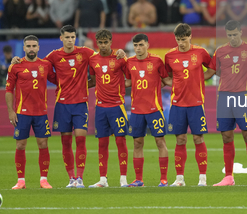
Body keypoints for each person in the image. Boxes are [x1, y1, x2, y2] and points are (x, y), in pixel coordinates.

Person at [11, 26, 125, 188]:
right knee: (65, 141)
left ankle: (80, 178)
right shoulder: (54, 56)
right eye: (67, 37)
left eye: (72, 37)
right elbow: (37, 64)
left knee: (80, 138)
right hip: (62, 104)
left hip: (80, 104)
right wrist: (18, 60)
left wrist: (119, 52)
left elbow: (103, 55)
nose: (70, 40)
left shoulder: (85, 52)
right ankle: (71, 178)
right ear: (61, 38)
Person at [212, 20, 247, 187]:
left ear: (241, 32)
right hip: (224, 97)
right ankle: (228, 177)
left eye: (235, 34)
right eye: (229, 35)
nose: (232, 38)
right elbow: (215, 70)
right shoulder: (220, 51)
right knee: (226, 136)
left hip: (242, 97)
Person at [164, 23, 216, 187]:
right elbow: (166, 76)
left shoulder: (200, 52)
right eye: (179, 39)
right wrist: (175, 85)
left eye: (184, 39)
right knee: (180, 140)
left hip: (196, 103)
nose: (181, 43)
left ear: (190, 37)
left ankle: (202, 179)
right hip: (178, 104)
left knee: (198, 138)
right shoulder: (170, 56)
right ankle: (180, 179)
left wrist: (202, 78)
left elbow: (212, 68)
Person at [5, 35, 56, 190]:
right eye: (29, 46)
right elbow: (8, 90)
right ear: (24, 48)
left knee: (43, 144)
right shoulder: (15, 66)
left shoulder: (45, 65)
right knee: (20, 145)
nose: (31, 49)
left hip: (41, 112)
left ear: (38, 48)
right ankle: (21, 181)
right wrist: (11, 111)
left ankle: (44, 180)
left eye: (34, 46)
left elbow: (57, 79)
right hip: (22, 113)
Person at [125, 33, 173, 187]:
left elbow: (166, 80)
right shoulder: (129, 62)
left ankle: (164, 179)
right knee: (137, 143)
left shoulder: (157, 61)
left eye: (141, 45)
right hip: (137, 110)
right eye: (135, 45)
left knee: (160, 141)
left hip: (155, 109)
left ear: (147, 45)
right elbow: (127, 82)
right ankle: (138, 179)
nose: (138, 48)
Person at [87, 29, 130, 188]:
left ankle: (123, 179)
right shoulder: (93, 60)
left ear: (110, 42)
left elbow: (130, 77)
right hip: (100, 108)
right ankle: (103, 180)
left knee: (120, 141)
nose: (103, 45)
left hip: (117, 106)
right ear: (97, 43)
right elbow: (92, 80)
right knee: (102, 143)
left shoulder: (119, 58)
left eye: (106, 42)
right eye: (100, 43)